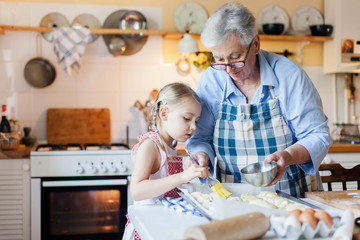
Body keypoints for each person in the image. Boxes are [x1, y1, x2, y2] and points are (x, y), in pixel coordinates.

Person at [186, 2, 332, 198]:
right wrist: (201, 156)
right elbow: (200, 138)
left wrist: (287, 156)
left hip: (291, 197)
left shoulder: (289, 76)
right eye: (219, 59)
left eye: (235, 57)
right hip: (231, 198)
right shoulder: (211, 81)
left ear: (255, 44)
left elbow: (318, 135)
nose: (228, 69)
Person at [123, 82, 208, 240]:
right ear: (164, 114)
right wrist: (182, 177)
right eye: (187, 118)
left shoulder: (170, 145)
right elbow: (137, 190)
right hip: (146, 228)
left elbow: (163, 177)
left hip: (162, 226)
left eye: (196, 121)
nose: (193, 126)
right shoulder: (150, 146)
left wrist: (186, 167)